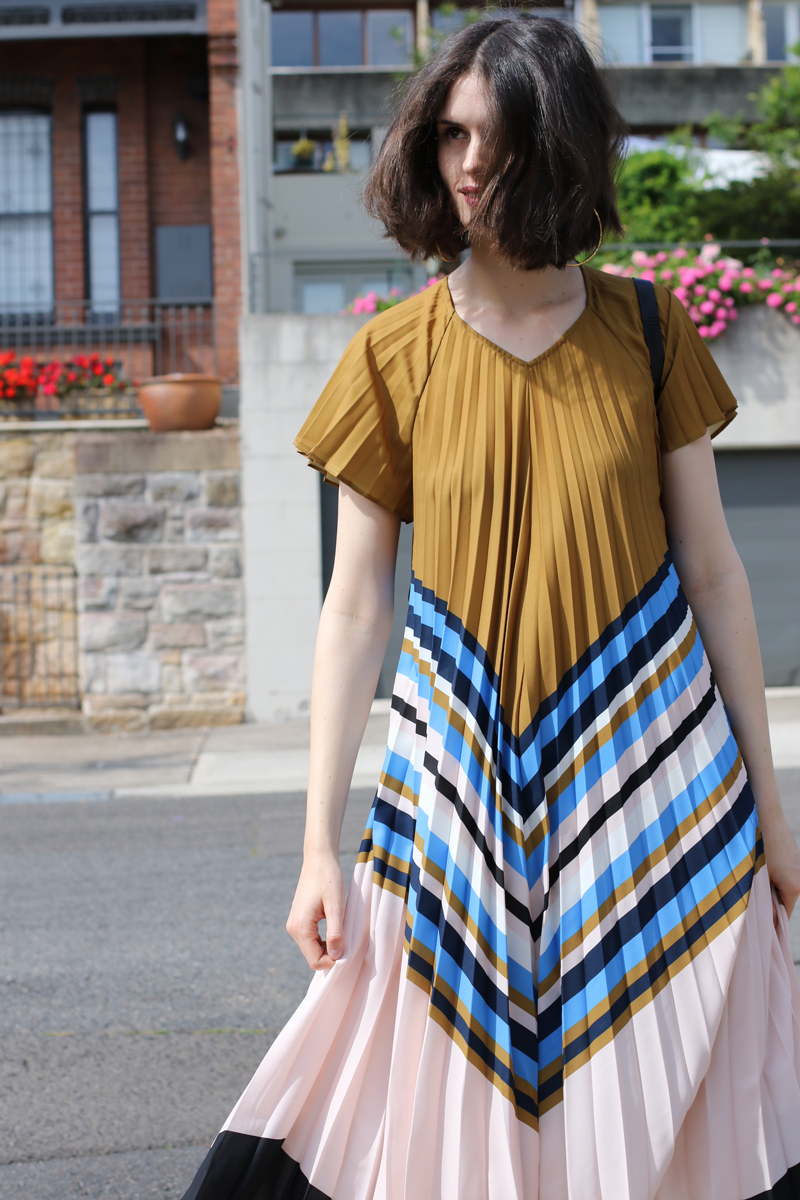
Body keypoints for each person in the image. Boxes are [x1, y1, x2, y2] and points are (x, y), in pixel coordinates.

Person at [183, 15, 800, 1200]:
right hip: (455, 778)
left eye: (500, 138)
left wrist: (772, 812)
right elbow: (353, 605)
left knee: (664, 1089)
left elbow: (716, 572)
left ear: (558, 148)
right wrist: (320, 845)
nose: (468, 163)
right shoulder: (394, 353)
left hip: (656, 780)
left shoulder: (646, 331)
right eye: (452, 133)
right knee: (426, 1081)